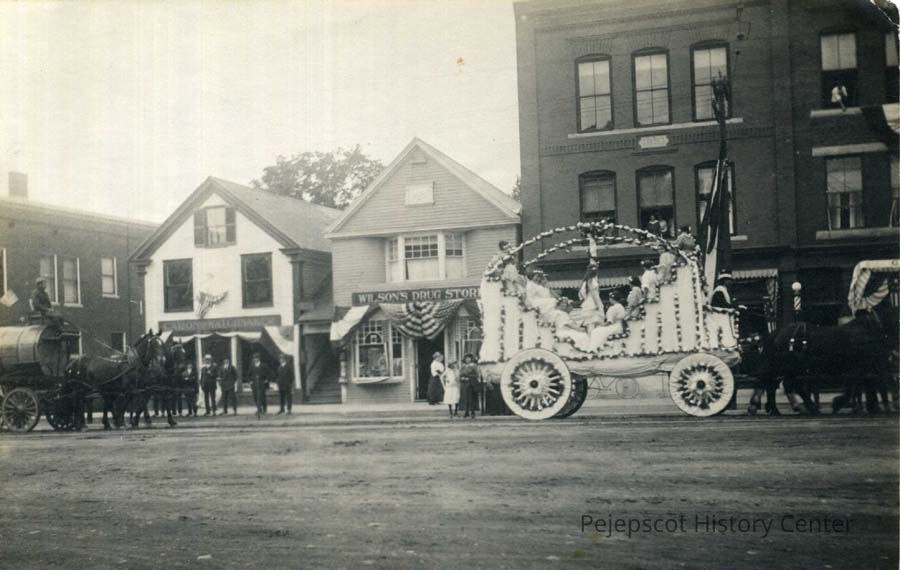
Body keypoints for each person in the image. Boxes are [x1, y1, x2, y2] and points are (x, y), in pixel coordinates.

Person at [574, 262, 604, 331]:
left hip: (589, 301)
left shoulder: (586, 281)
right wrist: (596, 304)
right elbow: (593, 293)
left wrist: (586, 299)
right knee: (594, 321)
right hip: (594, 301)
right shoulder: (592, 280)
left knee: (591, 322)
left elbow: (582, 292)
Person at [248, 353, 272, 417]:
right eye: (254, 358)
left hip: (262, 383)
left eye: (256, 358)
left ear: (259, 359)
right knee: (255, 397)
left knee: (262, 396)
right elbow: (249, 374)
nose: (255, 359)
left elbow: (269, 373)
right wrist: (250, 381)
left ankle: (264, 409)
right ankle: (259, 409)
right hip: (255, 384)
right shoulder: (252, 366)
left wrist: (267, 380)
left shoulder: (264, 365)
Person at [459, 353, 480, 419]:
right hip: (464, 384)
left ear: (471, 359)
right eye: (466, 358)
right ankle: (466, 412)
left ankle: (473, 412)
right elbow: (460, 374)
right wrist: (462, 378)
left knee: (472, 398)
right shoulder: (463, 366)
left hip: (472, 384)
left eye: (469, 358)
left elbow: (476, 375)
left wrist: (469, 377)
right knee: (466, 398)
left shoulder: (474, 366)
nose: (467, 360)